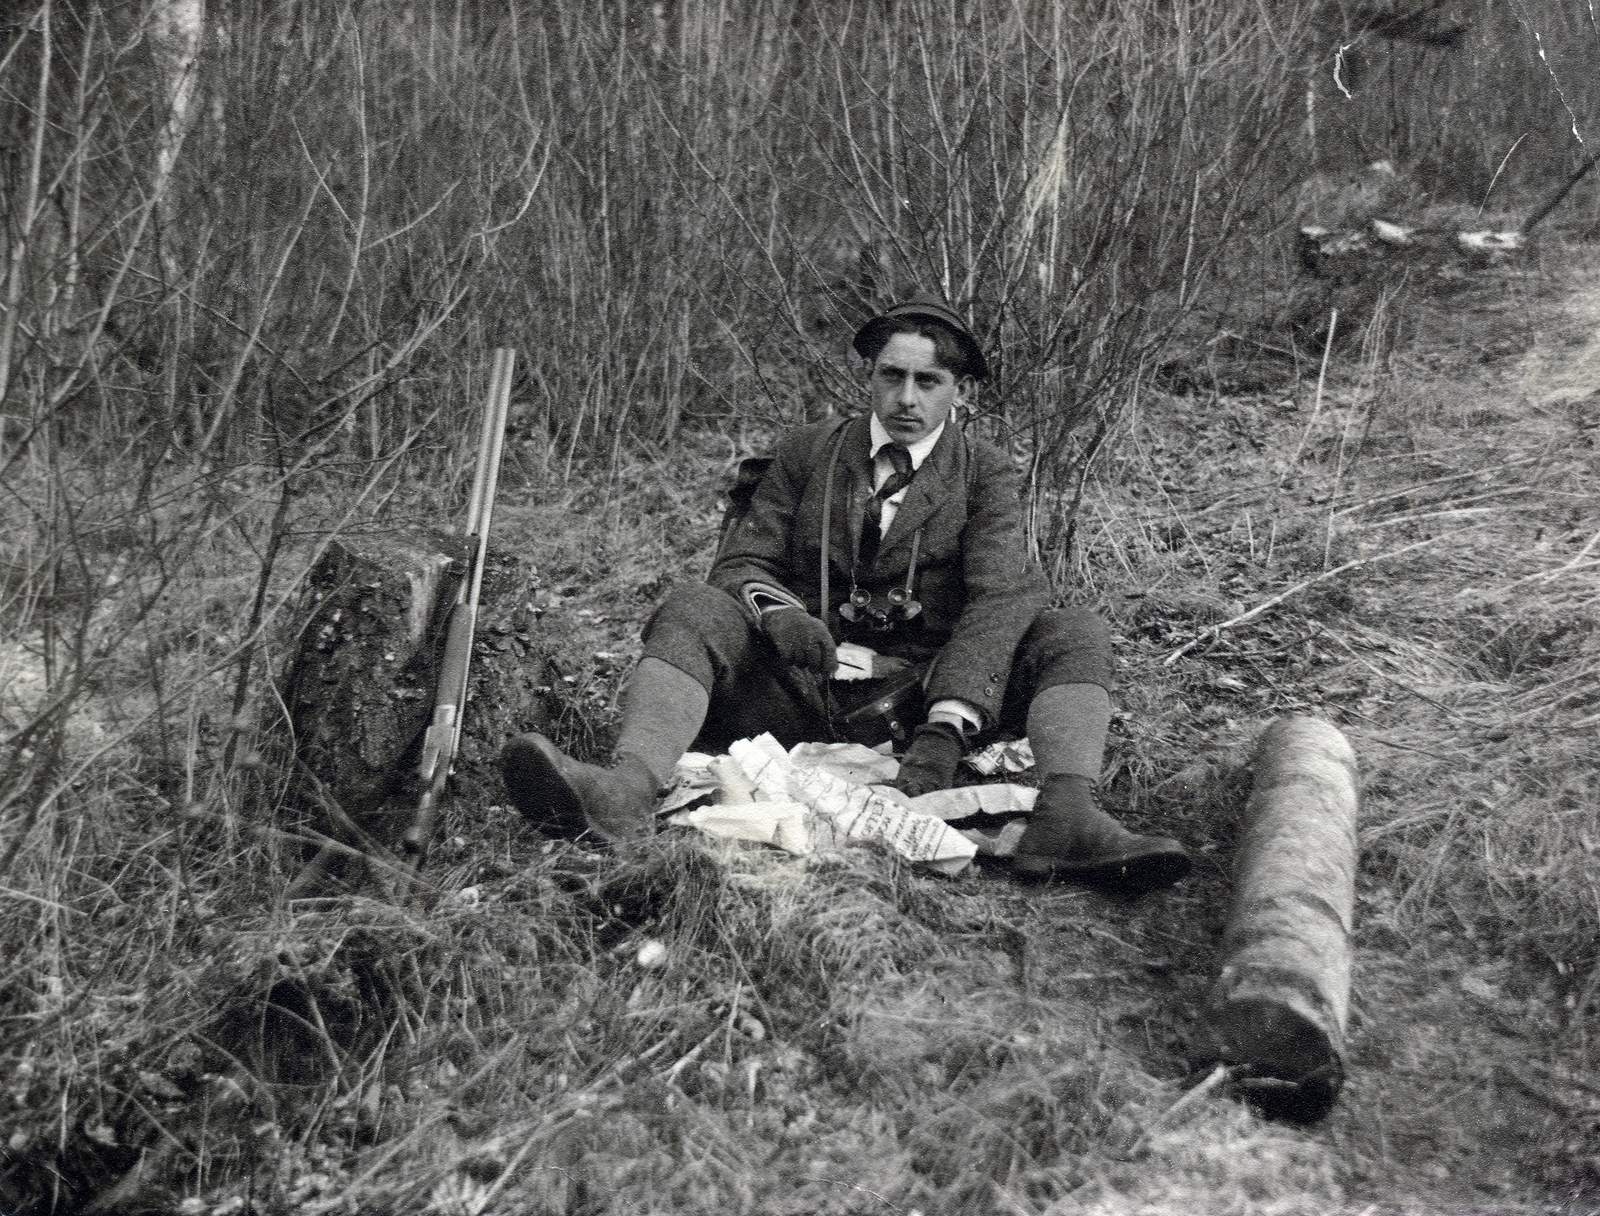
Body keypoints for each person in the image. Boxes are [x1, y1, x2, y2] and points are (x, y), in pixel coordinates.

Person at [502, 298, 1191, 893]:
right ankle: (623, 791)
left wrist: (944, 728)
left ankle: (1067, 821)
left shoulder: (984, 475)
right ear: (870, 376)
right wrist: (778, 614)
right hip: (797, 692)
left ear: (960, 392)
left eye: (930, 381)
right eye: (892, 376)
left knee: (1072, 630)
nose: (908, 399)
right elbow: (743, 560)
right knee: (692, 605)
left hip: (917, 703)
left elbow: (1001, 597)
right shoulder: (807, 452)